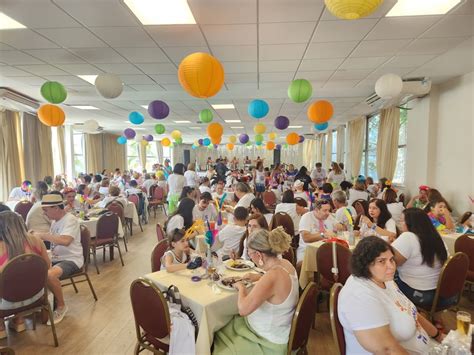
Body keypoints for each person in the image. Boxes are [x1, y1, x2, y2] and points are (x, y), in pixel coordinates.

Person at [338, 237, 442, 354]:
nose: (391, 266)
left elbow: (411, 313)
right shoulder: (359, 295)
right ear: (364, 264)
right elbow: (386, 350)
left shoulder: (386, 280)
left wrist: (439, 336)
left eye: (391, 260)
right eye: (381, 261)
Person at [213, 227, 298, 354]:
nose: (250, 258)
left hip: (267, 340)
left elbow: (243, 309)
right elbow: (278, 284)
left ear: (259, 255)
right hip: (281, 329)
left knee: (220, 332)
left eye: (250, 254)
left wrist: (240, 286)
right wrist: (258, 277)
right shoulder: (286, 264)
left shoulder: (272, 276)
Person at [34, 193, 84, 324]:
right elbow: (55, 241)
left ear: (56, 208)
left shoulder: (70, 220)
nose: (44, 213)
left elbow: (66, 240)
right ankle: (41, 303)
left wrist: (43, 235)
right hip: (57, 258)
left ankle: (61, 306)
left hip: (72, 259)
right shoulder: (54, 222)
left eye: (46, 210)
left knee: (49, 275)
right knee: (32, 270)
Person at [0, 211, 50, 337]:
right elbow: (47, 267)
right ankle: (19, 320)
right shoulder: (37, 241)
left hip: (6, 303)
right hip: (36, 297)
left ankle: (1, 327)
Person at [392, 208, 449, 307]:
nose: (400, 224)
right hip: (441, 293)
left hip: (418, 293)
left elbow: (391, 263)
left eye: (402, 220)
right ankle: (432, 317)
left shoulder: (408, 236)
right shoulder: (437, 237)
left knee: (383, 275)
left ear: (410, 223)